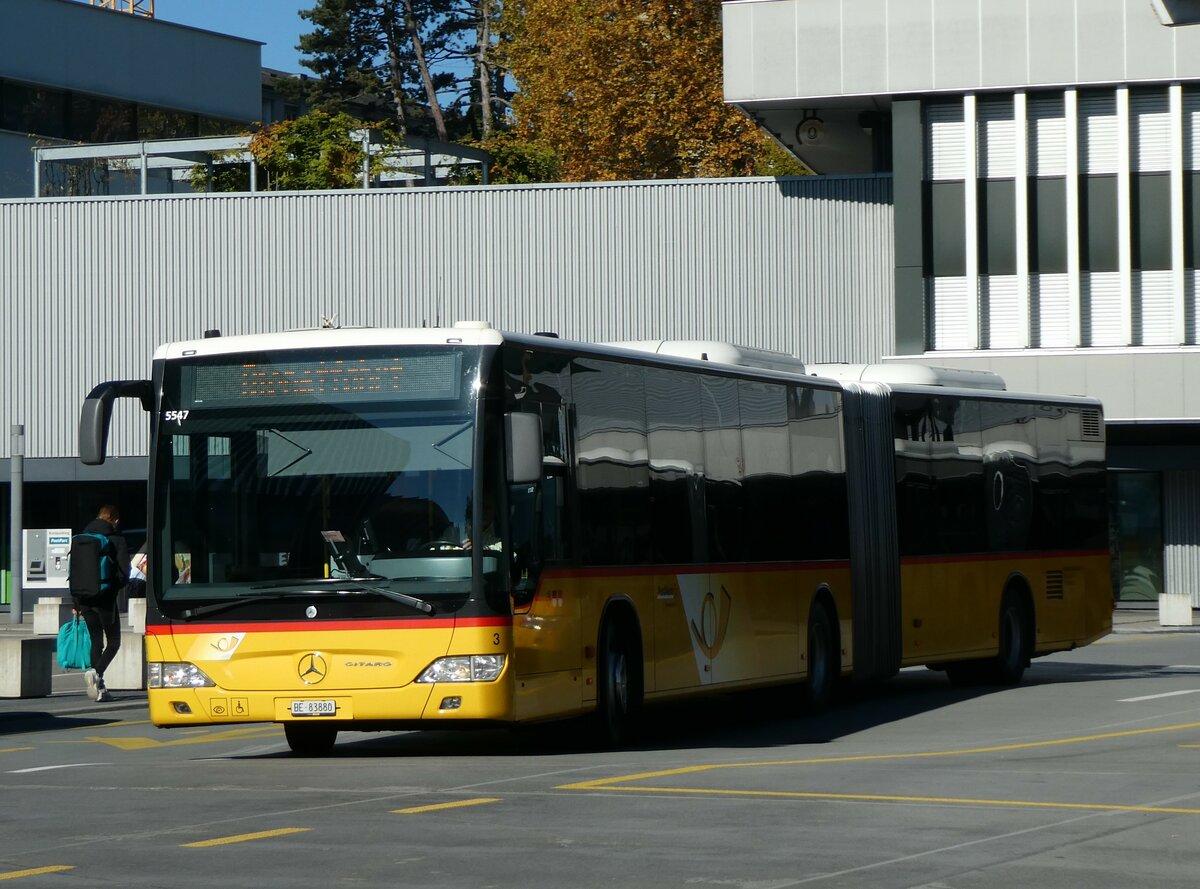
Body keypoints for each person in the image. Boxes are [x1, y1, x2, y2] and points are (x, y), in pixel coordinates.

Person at [73, 504, 129, 703]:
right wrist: (114, 587)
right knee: (114, 641)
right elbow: (124, 574)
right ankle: (96, 672)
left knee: (96, 640)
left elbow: (75, 571)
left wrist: (76, 601)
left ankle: (100, 687)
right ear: (114, 519)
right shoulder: (117, 540)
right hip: (105, 599)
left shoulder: (82, 538)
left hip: (84, 599)